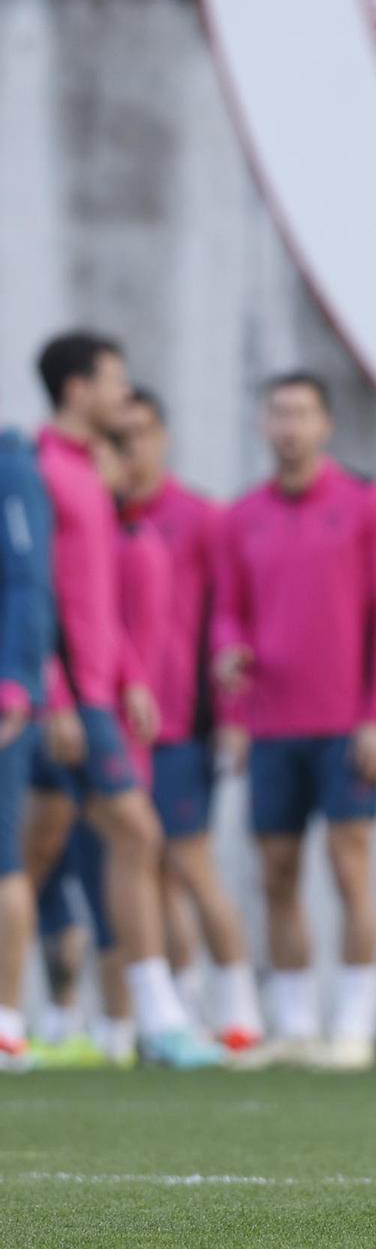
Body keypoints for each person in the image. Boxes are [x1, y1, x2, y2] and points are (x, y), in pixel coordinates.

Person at [23, 332, 224, 1069]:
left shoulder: (91, 474)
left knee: (38, 850)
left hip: (103, 690)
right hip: (71, 698)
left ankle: (109, 1019)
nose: (124, 392)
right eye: (114, 380)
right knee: (134, 837)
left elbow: (98, 593)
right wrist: (56, 695)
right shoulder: (40, 471)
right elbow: (31, 594)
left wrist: (135, 674)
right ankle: (161, 1019)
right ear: (77, 390)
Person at [213, 371, 376, 1070]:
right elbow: (228, 612)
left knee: (349, 866)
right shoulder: (243, 516)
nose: (289, 426)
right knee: (276, 871)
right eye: (278, 414)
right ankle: (294, 1025)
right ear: (264, 426)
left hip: (345, 724)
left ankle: (353, 1028)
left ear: (325, 425)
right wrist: (232, 681)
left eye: (301, 412)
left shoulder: (365, 504)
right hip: (270, 726)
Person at [118, 389, 263, 1052]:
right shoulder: (101, 518)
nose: (131, 449)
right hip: (119, 723)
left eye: (142, 433)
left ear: (163, 437)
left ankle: (241, 1007)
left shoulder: (202, 518)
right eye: (119, 437)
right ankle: (183, 1005)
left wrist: (232, 714)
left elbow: (230, 614)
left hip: (182, 723)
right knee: (143, 869)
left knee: (191, 863)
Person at [0, 423, 55, 1070]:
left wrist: (18, 677)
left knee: (3, 857)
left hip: (4, 700)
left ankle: (7, 1021)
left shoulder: (11, 468)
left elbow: (28, 581)